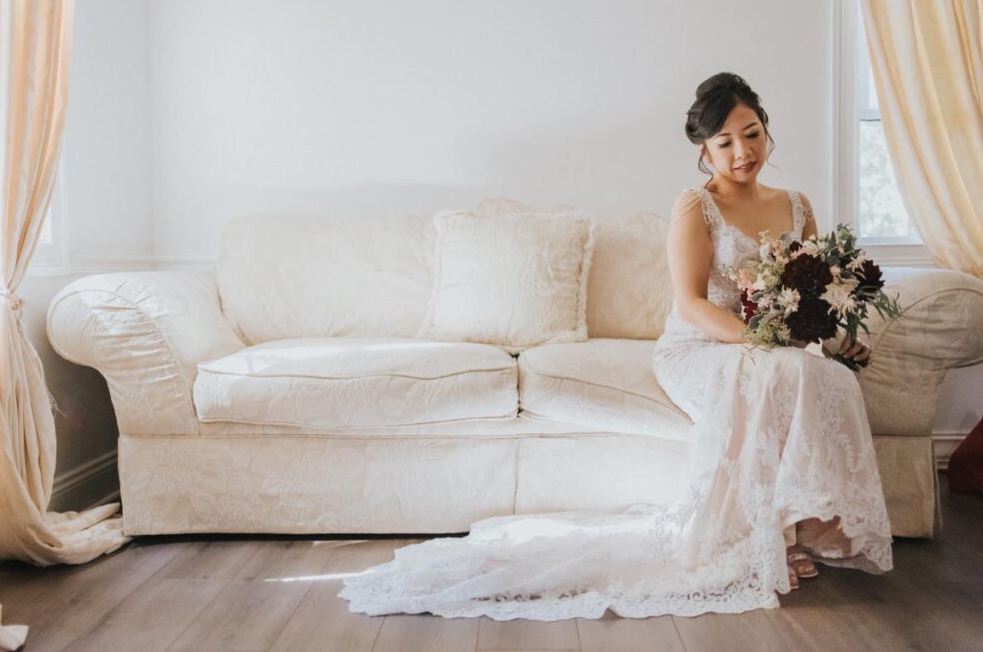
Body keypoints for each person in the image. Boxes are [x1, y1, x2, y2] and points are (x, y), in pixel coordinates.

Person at [338, 72, 893, 621]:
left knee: (827, 376)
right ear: (705, 150)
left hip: (768, 346)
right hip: (699, 347)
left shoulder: (796, 205)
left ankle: (804, 525)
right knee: (777, 374)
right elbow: (694, 305)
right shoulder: (694, 207)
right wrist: (765, 342)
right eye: (725, 142)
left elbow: (812, 295)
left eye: (751, 133)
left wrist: (836, 340)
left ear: (766, 128)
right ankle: (761, 541)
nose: (743, 151)